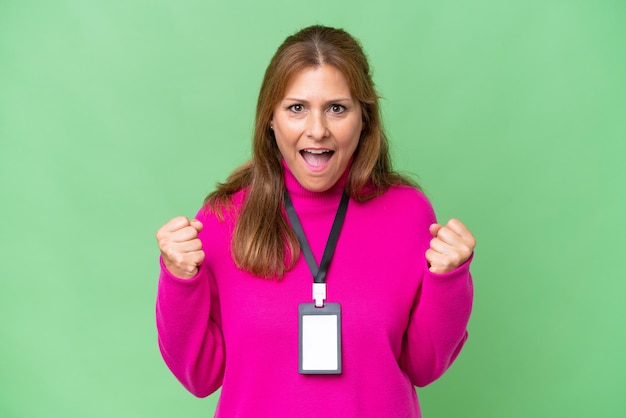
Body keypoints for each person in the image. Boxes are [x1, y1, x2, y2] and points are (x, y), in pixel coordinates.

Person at [155, 25, 475, 417]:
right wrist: (177, 278)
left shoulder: (409, 214)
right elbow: (200, 376)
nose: (318, 129)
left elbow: (425, 366)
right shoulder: (224, 219)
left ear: (365, 119)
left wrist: (450, 280)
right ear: (270, 120)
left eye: (337, 108)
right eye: (296, 108)